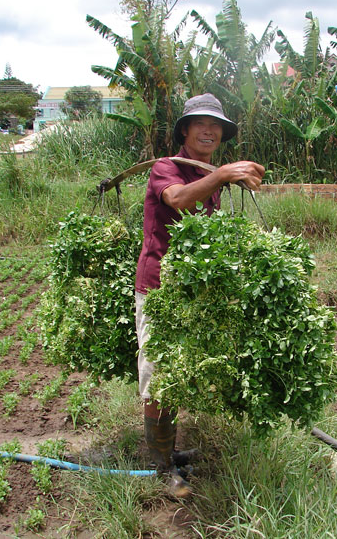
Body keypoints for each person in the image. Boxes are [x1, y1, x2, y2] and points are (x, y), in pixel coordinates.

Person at [135, 93, 264, 495]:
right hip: (159, 288)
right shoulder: (167, 168)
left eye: (217, 127)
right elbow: (175, 199)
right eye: (201, 125)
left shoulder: (208, 175)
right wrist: (222, 174)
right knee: (159, 377)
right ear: (185, 131)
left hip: (190, 290)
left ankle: (169, 452)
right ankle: (160, 470)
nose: (210, 131)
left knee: (182, 372)